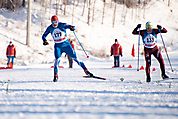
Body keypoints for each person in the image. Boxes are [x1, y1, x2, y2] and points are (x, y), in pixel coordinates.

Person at [42, 15, 93, 82]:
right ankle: (55, 76)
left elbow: (71, 26)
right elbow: (44, 35)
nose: (54, 23)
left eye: (55, 21)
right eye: (52, 22)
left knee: (76, 59)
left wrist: (72, 28)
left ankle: (87, 72)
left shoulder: (62, 25)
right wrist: (44, 40)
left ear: (58, 21)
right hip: (58, 46)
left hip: (66, 46)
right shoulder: (50, 28)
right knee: (57, 60)